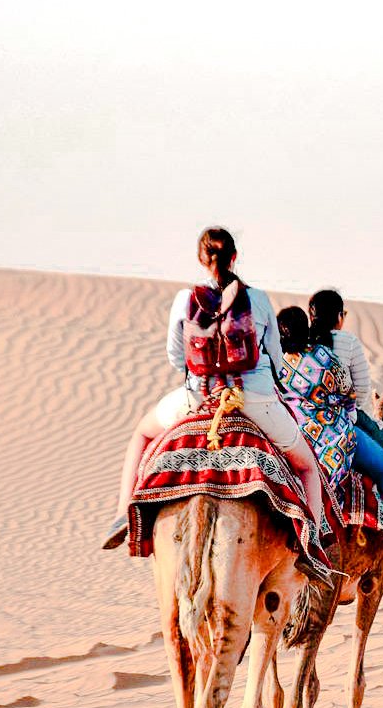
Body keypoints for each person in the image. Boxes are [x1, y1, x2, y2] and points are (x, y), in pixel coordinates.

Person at [102, 227, 327, 549]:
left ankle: (123, 512)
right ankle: (312, 544)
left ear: (201, 258)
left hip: (198, 397)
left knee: (142, 433)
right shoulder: (258, 299)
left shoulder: (185, 299)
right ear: (234, 257)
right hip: (254, 399)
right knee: (308, 467)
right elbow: (275, 358)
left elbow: (175, 356)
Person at [276, 306, 383, 559]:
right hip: (334, 438)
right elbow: (349, 394)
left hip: (295, 439)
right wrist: (342, 412)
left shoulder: (276, 362)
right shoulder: (324, 356)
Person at [307, 289, 383, 508]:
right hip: (343, 418)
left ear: (311, 316)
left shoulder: (300, 341)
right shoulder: (348, 341)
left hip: (304, 420)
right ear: (339, 317)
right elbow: (362, 389)